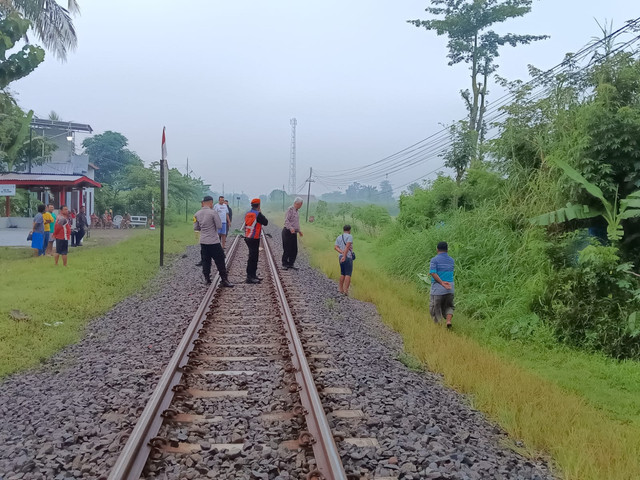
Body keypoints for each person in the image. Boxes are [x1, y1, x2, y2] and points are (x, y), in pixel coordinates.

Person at [194, 196, 233, 287]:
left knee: (205, 261)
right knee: (220, 260)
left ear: (203, 203)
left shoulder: (197, 214)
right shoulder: (213, 213)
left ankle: (207, 279)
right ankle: (224, 279)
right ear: (211, 202)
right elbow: (219, 225)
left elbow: (196, 228)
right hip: (213, 241)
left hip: (203, 241)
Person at [429, 241, 455, 329]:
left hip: (438, 289)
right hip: (450, 288)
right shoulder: (451, 260)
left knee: (436, 308)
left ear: (437, 249)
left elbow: (433, 273)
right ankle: (448, 321)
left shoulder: (434, 260)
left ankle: (439, 327)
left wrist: (441, 283)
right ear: (447, 250)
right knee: (449, 306)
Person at [244, 198, 268, 284]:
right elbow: (265, 222)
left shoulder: (248, 213)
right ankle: (250, 277)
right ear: (258, 205)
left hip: (248, 237)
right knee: (253, 258)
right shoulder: (258, 214)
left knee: (252, 257)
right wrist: (260, 212)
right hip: (254, 237)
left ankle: (253, 275)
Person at [282, 197, 303, 270]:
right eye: (299, 204)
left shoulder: (297, 211)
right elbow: (286, 220)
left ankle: (291, 263)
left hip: (294, 232)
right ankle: (284, 264)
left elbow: (296, 223)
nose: (300, 206)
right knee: (287, 248)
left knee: (294, 249)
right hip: (287, 232)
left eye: (301, 204)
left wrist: (299, 231)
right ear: (295, 203)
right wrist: (290, 228)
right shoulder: (290, 210)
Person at [334, 224, 354, 295]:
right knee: (348, 274)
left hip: (340, 256)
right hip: (348, 257)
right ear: (349, 230)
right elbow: (347, 247)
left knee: (342, 273)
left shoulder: (339, 237)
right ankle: (346, 291)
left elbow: (335, 247)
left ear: (343, 230)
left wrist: (341, 252)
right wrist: (344, 256)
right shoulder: (350, 236)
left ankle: (340, 289)